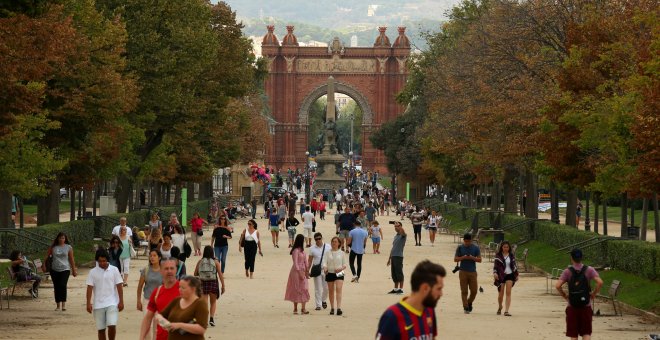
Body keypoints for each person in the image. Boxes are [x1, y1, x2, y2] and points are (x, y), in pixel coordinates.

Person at [376, 260, 446, 339]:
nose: (441, 294)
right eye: (439, 289)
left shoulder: (429, 309)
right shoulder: (392, 317)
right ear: (425, 288)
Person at [555, 249, 603, 340]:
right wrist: (593, 294)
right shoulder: (589, 270)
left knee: (573, 334)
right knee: (586, 333)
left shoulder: (567, 271)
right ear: (581, 257)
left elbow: (557, 286)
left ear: (571, 258)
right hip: (586, 305)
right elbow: (600, 282)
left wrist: (565, 296)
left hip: (572, 306)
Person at [85, 248, 125, 340]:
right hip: (98, 304)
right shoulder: (92, 272)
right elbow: (89, 288)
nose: (102, 263)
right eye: (100, 261)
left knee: (112, 325)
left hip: (112, 302)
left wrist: (121, 301)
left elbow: (119, 285)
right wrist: (88, 303)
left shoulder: (114, 270)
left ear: (107, 260)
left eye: (104, 261)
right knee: (101, 329)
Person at [139, 258, 180, 340]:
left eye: (172, 268)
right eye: (166, 268)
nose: (169, 271)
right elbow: (148, 318)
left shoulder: (184, 290)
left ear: (176, 270)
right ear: (161, 271)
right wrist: (141, 337)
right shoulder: (157, 292)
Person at [44, 232, 78, 311]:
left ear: (65, 239)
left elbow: (71, 259)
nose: (61, 239)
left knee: (63, 285)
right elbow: (47, 256)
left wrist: (74, 269)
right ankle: (58, 305)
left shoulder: (68, 247)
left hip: (65, 269)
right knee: (56, 286)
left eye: (63, 238)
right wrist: (44, 265)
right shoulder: (53, 247)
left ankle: (63, 304)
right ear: (57, 238)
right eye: (60, 238)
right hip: (54, 269)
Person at [194, 246, 225, 327]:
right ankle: (211, 318)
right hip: (213, 283)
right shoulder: (216, 262)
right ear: (212, 252)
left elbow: (195, 273)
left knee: (204, 303)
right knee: (213, 302)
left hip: (203, 283)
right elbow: (220, 274)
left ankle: (205, 319)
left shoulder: (200, 261)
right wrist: (223, 285)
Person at [137, 250, 163, 340]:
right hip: (147, 300)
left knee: (157, 326)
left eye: (154, 255)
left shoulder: (164, 270)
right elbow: (140, 286)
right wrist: (138, 301)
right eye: (150, 255)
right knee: (148, 325)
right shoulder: (146, 270)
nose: (152, 257)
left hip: (160, 302)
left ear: (159, 257)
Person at [454, 233, 482, 314]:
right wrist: (464, 257)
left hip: (473, 272)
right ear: (464, 240)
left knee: (474, 291)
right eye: (465, 241)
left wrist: (472, 257)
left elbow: (480, 260)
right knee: (464, 291)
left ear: (471, 240)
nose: (467, 243)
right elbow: (455, 259)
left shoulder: (475, 248)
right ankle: (465, 306)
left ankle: (469, 302)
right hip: (462, 271)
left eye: (468, 241)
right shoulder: (460, 248)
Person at [285, 234, 311, 314]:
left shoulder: (302, 251)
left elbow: (306, 262)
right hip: (296, 271)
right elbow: (295, 263)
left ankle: (303, 308)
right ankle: (295, 308)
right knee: (296, 288)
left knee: (304, 288)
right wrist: (300, 272)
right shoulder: (295, 250)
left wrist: (307, 271)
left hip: (302, 270)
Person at [322, 236, 347, 316]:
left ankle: (338, 308)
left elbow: (345, 264)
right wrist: (325, 268)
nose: (334, 243)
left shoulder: (342, 253)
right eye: (333, 241)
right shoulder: (327, 253)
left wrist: (340, 269)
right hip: (330, 272)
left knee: (339, 289)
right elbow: (324, 262)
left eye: (335, 242)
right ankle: (332, 308)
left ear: (339, 243)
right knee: (331, 290)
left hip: (340, 272)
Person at [493, 241, 519, 316]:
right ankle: (500, 306)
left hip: (510, 275)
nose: (506, 248)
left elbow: (514, 265)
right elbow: (495, 266)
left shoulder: (511, 255)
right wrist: (495, 273)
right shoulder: (498, 256)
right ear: (502, 247)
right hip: (501, 275)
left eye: (507, 247)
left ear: (509, 248)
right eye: (504, 247)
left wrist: (516, 274)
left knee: (508, 293)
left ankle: (506, 311)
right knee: (501, 294)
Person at [308, 232, 330, 311]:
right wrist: (307, 270)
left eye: (319, 239)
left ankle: (323, 300)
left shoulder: (328, 247)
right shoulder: (312, 248)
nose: (318, 240)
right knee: (317, 288)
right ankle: (318, 305)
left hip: (326, 270)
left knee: (326, 288)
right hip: (317, 270)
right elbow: (309, 261)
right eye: (316, 239)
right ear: (314, 240)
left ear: (322, 238)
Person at [387, 221, 407, 294]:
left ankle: (401, 289)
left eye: (397, 226)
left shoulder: (403, 235)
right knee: (394, 273)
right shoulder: (396, 236)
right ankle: (395, 289)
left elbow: (403, 232)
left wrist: (399, 225)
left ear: (401, 227)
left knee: (399, 273)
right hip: (393, 256)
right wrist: (389, 259)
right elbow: (393, 248)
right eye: (395, 226)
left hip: (399, 256)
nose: (396, 227)